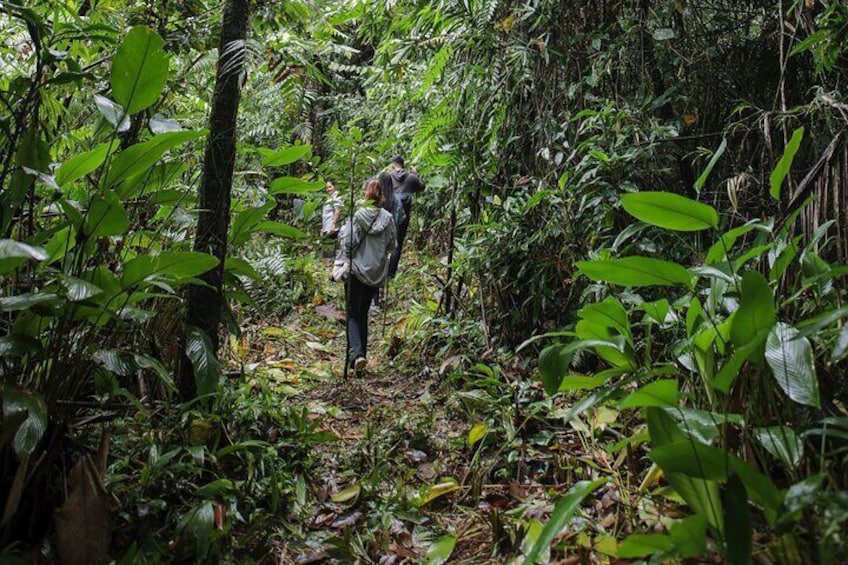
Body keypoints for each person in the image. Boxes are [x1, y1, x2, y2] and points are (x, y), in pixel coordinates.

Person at [334, 179, 397, 372]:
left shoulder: (359, 215)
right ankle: (358, 361)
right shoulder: (388, 218)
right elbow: (392, 245)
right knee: (363, 314)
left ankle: (357, 355)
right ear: (382, 197)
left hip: (356, 270)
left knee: (352, 315)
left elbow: (349, 243)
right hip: (375, 273)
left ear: (366, 195)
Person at [387, 155, 424, 277]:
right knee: (397, 244)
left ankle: (380, 270)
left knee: (383, 242)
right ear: (403, 165)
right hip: (403, 216)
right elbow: (422, 187)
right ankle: (391, 273)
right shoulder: (411, 178)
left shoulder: (388, 177)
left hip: (388, 215)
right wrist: (416, 174)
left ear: (393, 165)